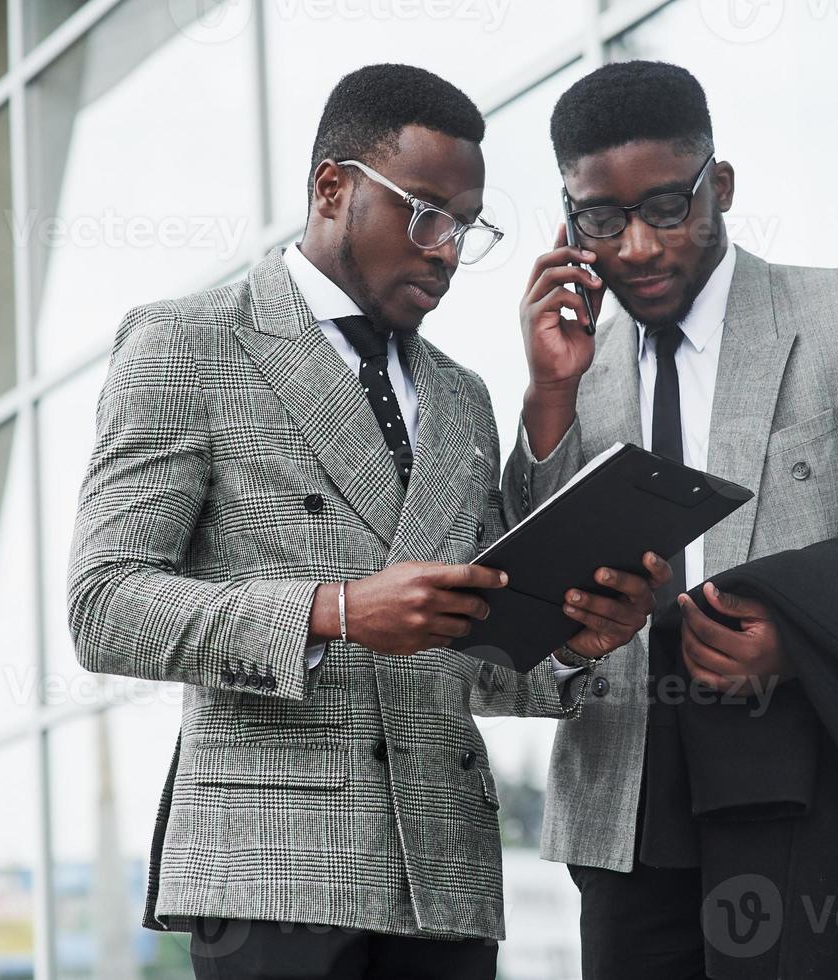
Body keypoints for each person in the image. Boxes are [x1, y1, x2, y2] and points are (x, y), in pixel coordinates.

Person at [66, 63, 665, 980]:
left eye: (465, 226)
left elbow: (476, 658)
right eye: (425, 213)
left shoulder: (462, 398)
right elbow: (103, 606)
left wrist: (578, 643)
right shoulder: (191, 342)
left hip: (447, 877)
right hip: (272, 872)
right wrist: (333, 610)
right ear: (333, 188)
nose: (448, 251)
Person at [504, 60, 838, 979]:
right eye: (601, 220)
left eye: (666, 208)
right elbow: (526, 600)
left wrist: (799, 637)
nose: (639, 247)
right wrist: (547, 396)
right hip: (629, 817)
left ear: (719, 187)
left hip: (822, 793)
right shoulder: (575, 369)